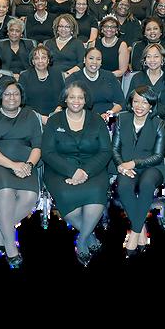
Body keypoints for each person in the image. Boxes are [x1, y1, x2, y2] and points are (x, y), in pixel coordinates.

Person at [41, 81, 112, 267]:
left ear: (86, 100)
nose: (76, 101)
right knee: (66, 194)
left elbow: (106, 151)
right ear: (65, 99)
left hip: (93, 169)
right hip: (60, 170)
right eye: (72, 97)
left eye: (80, 97)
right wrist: (72, 171)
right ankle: (89, 234)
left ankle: (81, 240)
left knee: (96, 192)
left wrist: (85, 171)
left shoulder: (97, 120)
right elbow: (47, 152)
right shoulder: (54, 121)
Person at [0, 81, 42, 269]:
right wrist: (13, 165)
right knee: (5, 193)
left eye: (15, 94)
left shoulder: (30, 115)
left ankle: (0, 231)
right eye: (7, 94)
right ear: (0, 96)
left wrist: (29, 165)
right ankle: (10, 245)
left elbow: (38, 146)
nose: (11, 97)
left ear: (21, 96)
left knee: (29, 197)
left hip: (25, 164)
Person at [113, 85, 165, 258]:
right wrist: (121, 165)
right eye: (136, 101)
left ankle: (134, 234)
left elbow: (158, 156)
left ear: (151, 105)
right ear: (131, 102)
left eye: (144, 102)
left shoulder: (158, 123)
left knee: (147, 185)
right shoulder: (122, 119)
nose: (139, 106)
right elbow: (115, 149)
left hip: (152, 167)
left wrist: (134, 163)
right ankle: (141, 228)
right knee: (124, 187)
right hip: (126, 167)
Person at [66, 47, 125, 116]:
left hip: (109, 115)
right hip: (84, 117)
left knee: (114, 121)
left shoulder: (109, 76)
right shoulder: (74, 79)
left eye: (98, 59)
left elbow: (121, 102)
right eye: (91, 58)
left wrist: (110, 113)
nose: (94, 62)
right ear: (84, 60)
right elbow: (69, 104)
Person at [126, 43, 165, 118]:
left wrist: (148, 112)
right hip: (138, 116)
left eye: (156, 56)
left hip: (160, 119)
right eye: (148, 56)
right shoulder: (137, 77)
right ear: (145, 60)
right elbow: (129, 101)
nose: (152, 60)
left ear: (163, 59)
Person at [19, 44, 65, 124]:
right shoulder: (24, 76)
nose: (40, 61)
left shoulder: (57, 73)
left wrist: (59, 108)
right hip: (32, 117)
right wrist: (40, 117)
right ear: (33, 61)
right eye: (37, 58)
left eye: (43, 58)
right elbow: (22, 102)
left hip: (56, 115)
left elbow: (63, 95)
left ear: (48, 60)